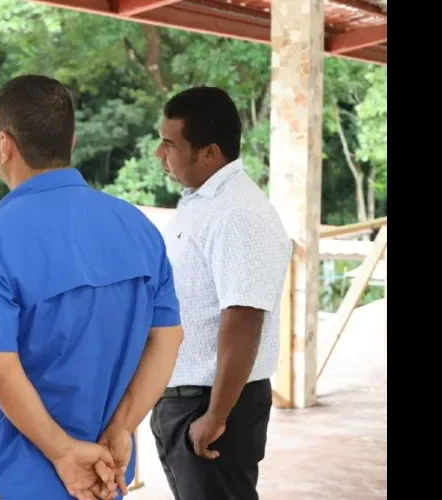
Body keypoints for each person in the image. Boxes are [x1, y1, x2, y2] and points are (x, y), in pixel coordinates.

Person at [0, 74, 185, 500]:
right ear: (70, 141)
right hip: (105, 473)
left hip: (21, 479)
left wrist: (63, 453)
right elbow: (168, 340)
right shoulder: (137, 227)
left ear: (4, 144)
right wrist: (121, 428)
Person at [151, 86, 293, 500]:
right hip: (189, 399)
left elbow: (243, 320)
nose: (161, 155)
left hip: (215, 403)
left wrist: (216, 415)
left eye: (170, 144)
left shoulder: (238, 214)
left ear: (210, 153)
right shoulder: (202, 201)